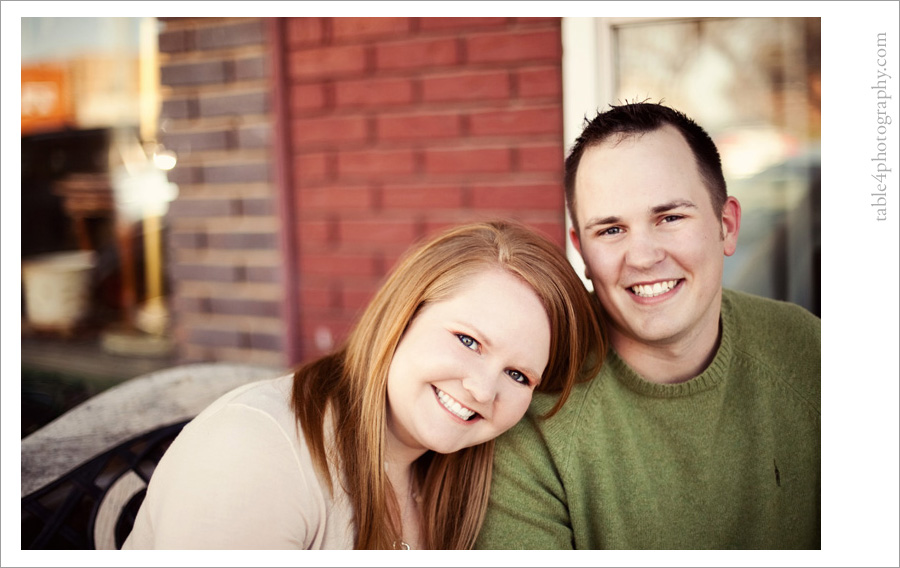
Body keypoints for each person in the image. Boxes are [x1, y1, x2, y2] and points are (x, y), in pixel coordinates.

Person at [122, 220, 604, 550]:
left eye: (518, 375)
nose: (482, 389)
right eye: (468, 340)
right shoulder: (256, 450)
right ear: (403, 313)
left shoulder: (452, 478)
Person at [476, 102, 821, 549]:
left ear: (727, 224)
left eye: (670, 218)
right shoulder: (531, 399)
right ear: (581, 251)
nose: (642, 257)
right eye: (611, 230)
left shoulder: (807, 350)